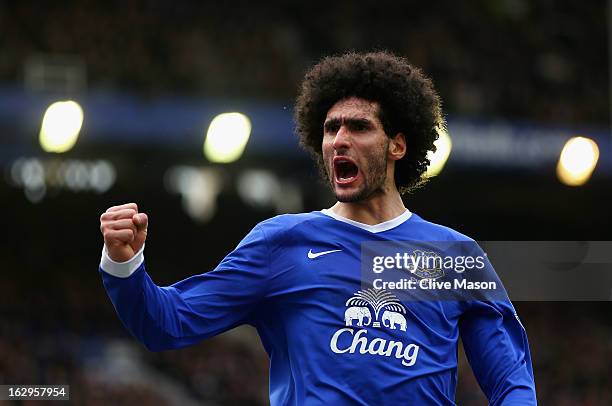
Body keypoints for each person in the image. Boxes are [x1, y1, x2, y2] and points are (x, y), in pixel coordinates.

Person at [99, 51, 537, 405]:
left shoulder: (454, 255)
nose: (339, 140)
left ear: (398, 144)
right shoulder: (282, 243)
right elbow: (165, 323)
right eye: (331, 129)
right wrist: (124, 264)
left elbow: (510, 380)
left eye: (359, 127)